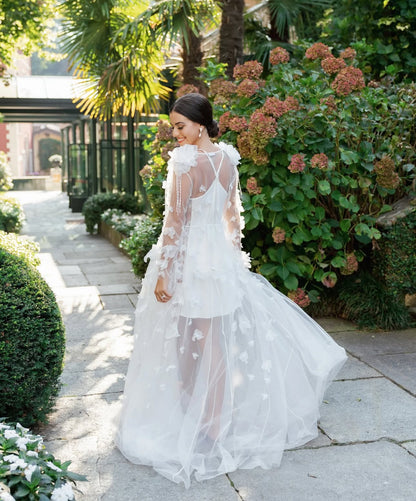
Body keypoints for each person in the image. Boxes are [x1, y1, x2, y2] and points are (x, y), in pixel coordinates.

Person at [115, 93, 347, 488]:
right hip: (219, 264)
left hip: (190, 265)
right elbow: (232, 218)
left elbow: (175, 224)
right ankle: (213, 425)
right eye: (174, 127)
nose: (175, 134)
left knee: (188, 348)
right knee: (213, 345)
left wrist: (163, 274)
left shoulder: (184, 163)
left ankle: (201, 424)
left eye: (180, 126)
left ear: (200, 124)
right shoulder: (228, 158)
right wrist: (232, 260)